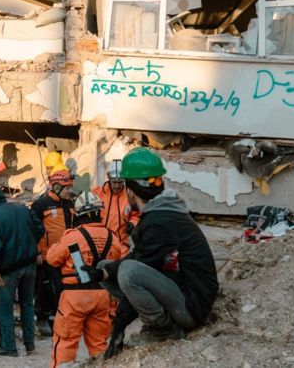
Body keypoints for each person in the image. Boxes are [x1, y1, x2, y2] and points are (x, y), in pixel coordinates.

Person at [82, 147, 219, 359]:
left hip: (192, 306)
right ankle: (159, 320)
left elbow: (135, 268)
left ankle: (164, 329)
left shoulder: (160, 222)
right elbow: (140, 261)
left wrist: (118, 327)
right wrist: (104, 273)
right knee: (106, 267)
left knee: (126, 270)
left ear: (130, 190)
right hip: (182, 292)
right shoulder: (164, 213)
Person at [47, 191, 124, 367]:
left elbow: (52, 259)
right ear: (99, 212)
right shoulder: (113, 237)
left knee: (66, 341)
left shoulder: (73, 236)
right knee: (99, 344)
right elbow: (120, 260)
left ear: (78, 214)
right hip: (103, 295)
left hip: (75, 296)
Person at [0, 186, 44, 357]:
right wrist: (28, 244)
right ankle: (30, 345)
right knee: (27, 305)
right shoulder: (22, 208)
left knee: (5, 309)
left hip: (7, 271)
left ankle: (9, 348)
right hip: (30, 266)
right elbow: (40, 229)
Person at [30, 169, 75, 336]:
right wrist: (36, 253)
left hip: (67, 255)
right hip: (47, 256)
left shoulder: (70, 204)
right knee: (47, 289)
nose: (71, 190)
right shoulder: (40, 205)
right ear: (56, 187)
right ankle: (42, 317)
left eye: (71, 186)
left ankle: (58, 319)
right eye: (67, 187)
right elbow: (32, 231)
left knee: (65, 288)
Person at [92, 159, 140, 250]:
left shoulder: (130, 195)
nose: (117, 186)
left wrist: (133, 223)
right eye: (114, 182)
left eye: (120, 182)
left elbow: (136, 215)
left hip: (121, 245)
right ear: (108, 177)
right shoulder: (97, 193)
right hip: (99, 243)